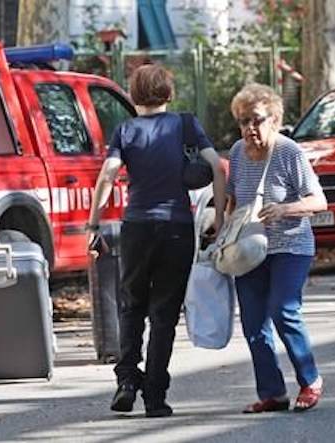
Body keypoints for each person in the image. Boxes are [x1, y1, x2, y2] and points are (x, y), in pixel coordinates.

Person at [87, 63, 226, 417]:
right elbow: (215, 165)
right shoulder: (185, 124)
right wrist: (221, 217)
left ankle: (126, 381)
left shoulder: (125, 130)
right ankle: (155, 397)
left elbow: (108, 173)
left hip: (136, 227)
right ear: (169, 93)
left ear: (133, 96)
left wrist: (94, 222)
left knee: (131, 306)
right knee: (164, 314)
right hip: (176, 227)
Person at [227, 83, 326, 413]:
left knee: (283, 309)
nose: (249, 128)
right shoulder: (238, 153)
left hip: (290, 245)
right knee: (254, 324)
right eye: (243, 121)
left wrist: (285, 209)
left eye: (256, 120)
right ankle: (273, 393)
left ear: (275, 119)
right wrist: (222, 231)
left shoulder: (289, 151)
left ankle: (310, 379)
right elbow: (233, 199)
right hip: (247, 249)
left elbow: (318, 200)